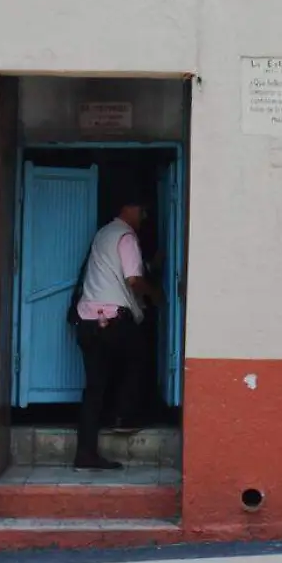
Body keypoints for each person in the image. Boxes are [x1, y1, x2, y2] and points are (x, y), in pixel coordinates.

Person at [73, 197, 163, 470]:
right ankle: (124, 417)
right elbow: (133, 280)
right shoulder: (126, 237)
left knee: (95, 388)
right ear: (128, 208)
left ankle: (85, 454)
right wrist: (157, 294)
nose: (144, 217)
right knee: (140, 358)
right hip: (114, 319)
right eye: (142, 209)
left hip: (88, 319)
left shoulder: (103, 234)